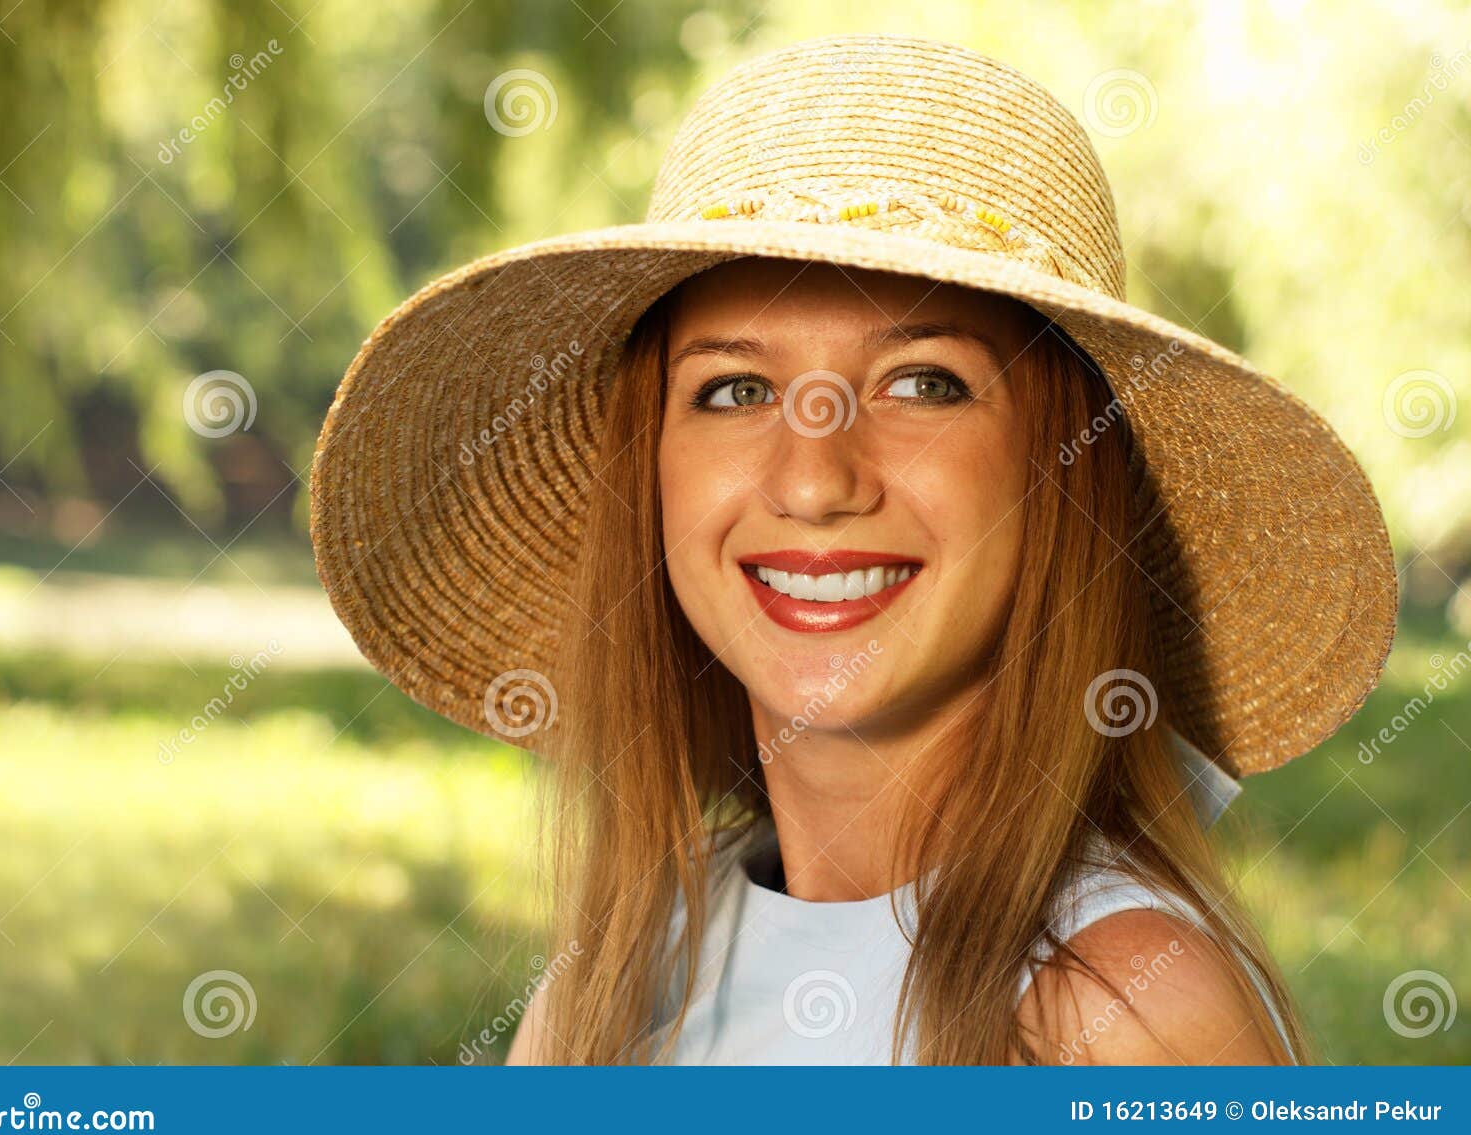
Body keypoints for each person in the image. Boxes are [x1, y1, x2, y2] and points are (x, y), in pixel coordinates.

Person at [310, 35, 1396, 1065]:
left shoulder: (1116, 1014)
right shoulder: (611, 982)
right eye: (734, 390)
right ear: (649, 471)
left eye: (923, 382)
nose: (813, 481)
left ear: (1065, 470)